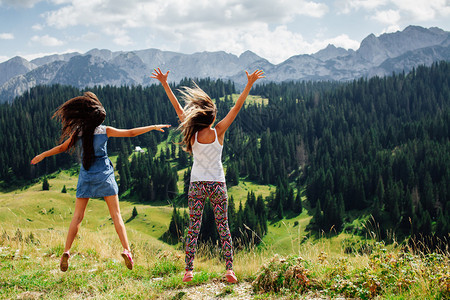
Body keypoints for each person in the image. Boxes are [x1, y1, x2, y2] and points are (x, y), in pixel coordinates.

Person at [31, 91, 170, 272]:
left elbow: (62, 148)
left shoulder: (78, 132)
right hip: (104, 175)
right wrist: (152, 126)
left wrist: (42, 155)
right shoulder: (105, 131)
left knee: (78, 217)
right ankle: (127, 251)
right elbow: (131, 133)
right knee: (116, 215)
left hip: (86, 176)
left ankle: (66, 251)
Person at [151, 68, 264, 283]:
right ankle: (229, 270)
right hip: (217, 184)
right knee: (223, 226)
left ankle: (188, 271)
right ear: (212, 118)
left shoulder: (192, 132)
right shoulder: (218, 131)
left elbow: (177, 108)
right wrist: (249, 84)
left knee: (194, 227)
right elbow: (236, 108)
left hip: (197, 185)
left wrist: (165, 84)